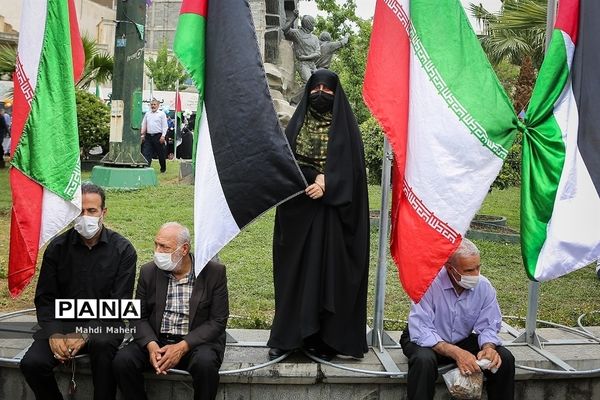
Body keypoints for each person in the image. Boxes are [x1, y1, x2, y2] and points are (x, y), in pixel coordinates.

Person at [267, 69, 370, 361]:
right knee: (296, 276)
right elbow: (284, 162)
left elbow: (355, 171)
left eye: (327, 90)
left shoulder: (347, 130)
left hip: (335, 219)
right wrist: (313, 177)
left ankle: (327, 339)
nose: (321, 94)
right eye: (315, 89)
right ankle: (290, 338)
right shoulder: (295, 126)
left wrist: (329, 181)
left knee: (330, 276)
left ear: (336, 95)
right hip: (299, 213)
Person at [20, 183, 137, 400]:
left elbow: (120, 303)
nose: (85, 216)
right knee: (32, 363)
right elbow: (45, 298)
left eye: (91, 211)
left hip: (104, 324)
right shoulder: (57, 248)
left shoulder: (123, 250)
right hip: (63, 324)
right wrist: (54, 333)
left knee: (102, 347)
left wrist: (86, 333)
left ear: (103, 212)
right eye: (79, 211)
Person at [113, 222, 229, 400]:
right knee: (123, 361)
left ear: (184, 249)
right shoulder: (148, 271)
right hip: (157, 339)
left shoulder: (213, 273)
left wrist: (182, 347)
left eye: (164, 247)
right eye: (156, 244)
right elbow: (138, 316)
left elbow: (218, 321)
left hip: (195, 343)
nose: (157, 251)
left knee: (205, 365)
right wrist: (151, 346)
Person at [400, 238, 515, 400]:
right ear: (449, 268)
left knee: (504, 358)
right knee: (423, 361)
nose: (475, 275)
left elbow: (489, 324)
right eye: (468, 270)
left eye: (478, 268)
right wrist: (457, 353)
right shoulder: (428, 283)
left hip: (461, 338)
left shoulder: (483, 286)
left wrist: (488, 347)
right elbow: (422, 329)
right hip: (424, 339)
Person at [282, 9, 321, 82]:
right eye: (313, 23)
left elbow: (318, 53)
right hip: (303, 64)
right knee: (309, 82)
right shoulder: (297, 33)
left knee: (319, 82)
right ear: (308, 24)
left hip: (312, 65)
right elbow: (285, 29)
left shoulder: (315, 38)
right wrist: (293, 17)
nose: (314, 25)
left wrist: (306, 57)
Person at [141, 99, 168, 172]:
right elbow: (144, 124)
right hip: (148, 136)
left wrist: (163, 136)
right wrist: (142, 135)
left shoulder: (162, 114)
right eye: (152, 104)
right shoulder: (147, 114)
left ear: (158, 105)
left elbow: (165, 126)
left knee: (160, 154)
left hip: (158, 136)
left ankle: (163, 169)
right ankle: (146, 168)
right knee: (146, 152)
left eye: (154, 104)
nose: (153, 106)